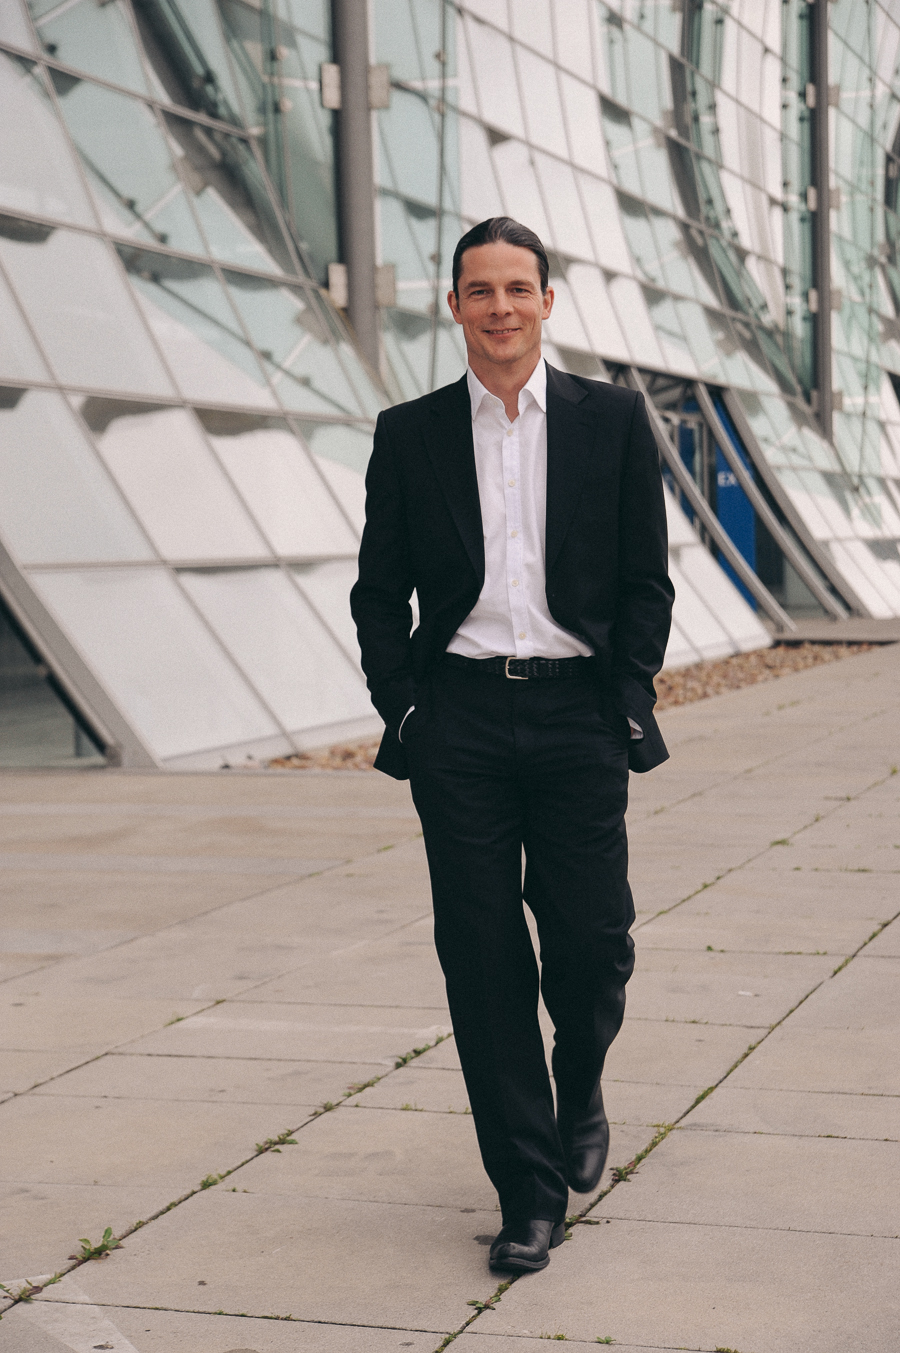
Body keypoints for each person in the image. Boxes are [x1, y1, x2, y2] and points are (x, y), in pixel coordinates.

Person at [350, 217, 674, 1274]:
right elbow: (378, 591)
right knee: (483, 956)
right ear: (453, 306)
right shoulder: (410, 433)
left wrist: (627, 694)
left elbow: (646, 581)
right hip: (462, 723)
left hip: (580, 716)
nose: (500, 308)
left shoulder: (611, 420)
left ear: (546, 301)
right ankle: (529, 1193)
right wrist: (405, 708)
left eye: (517, 288)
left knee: (593, 943)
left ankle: (579, 1084)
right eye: (480, 290)